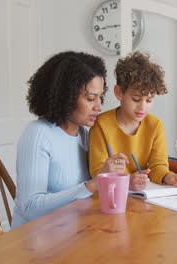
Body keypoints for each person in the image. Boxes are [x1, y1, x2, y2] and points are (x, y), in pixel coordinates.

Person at [11, 51, 127, 229]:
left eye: (100, 97)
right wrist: (92, 184)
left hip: (72, 231)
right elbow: (30, 208)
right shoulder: (38, 134)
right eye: (90, 98)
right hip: (36, 242)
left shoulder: (83, 134)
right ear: (65, 96)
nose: (99, 106)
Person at [89, 52, 177, 190]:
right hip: (110, 196)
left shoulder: (155, 125)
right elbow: (96, 173)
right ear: (119, 92)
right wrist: (127, 182)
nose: (143, 107)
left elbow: (158, 166)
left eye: (149, 100)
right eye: (136, 99)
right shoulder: (101, 125)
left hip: (143, 199)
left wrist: (170, 177)